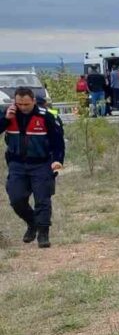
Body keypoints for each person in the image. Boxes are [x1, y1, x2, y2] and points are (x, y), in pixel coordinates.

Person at [5, 87, 64, 248]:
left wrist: (58, 160)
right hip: (17, 164)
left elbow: (58, 141)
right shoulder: (8, 114)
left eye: (26, 104)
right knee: (16, 199)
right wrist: (5, 119)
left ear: (33, 101)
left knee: (42, 199)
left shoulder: (46, 116)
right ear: (14, 102)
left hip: (41, 163)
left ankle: (43, 234)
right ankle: (32, 223)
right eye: (19, 104)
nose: (23, 107)